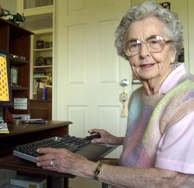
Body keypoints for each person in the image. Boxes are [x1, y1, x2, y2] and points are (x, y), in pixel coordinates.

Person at [36, 1, 194, 187]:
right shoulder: (138, 96)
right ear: (126, 53)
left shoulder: (187, 100)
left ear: (173, 51)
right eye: (134, 45)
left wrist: (84, 167)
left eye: (154, 42)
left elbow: (167, 179)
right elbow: (157, 140)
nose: (144, 53)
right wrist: (117, 140)